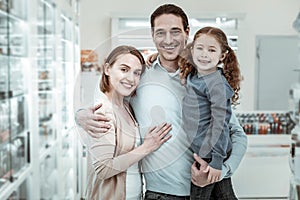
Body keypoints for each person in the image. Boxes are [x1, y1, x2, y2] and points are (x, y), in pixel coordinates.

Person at [76, 4, 248, 199]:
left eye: (175, 32)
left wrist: (221, 171)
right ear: (152, 35)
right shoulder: (140, 77)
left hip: (208, 190)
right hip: (160, 194)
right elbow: (111, 100)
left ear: (187, 32)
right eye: (160, 33)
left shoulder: (204, 80)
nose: (168, 40)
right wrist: (80, 115)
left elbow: (237, 135)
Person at [83, 45, 172, 200]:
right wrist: (147, 147)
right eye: (124, 69)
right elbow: (103, 168)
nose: (131, 79)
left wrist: (156, 56)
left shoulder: (126, 106)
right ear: (107, 69)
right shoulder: (104, 110)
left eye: (137, 73)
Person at [179, 26, 242, 199]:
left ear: (222, 56)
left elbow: (220, 124)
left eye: (211, 50)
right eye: (199, 48)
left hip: (212, 152)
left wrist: (216, 161)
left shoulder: (216, 85)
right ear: (192, 51)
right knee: (224, 195)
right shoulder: (194, 76)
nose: (204, 54)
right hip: (204, 151)